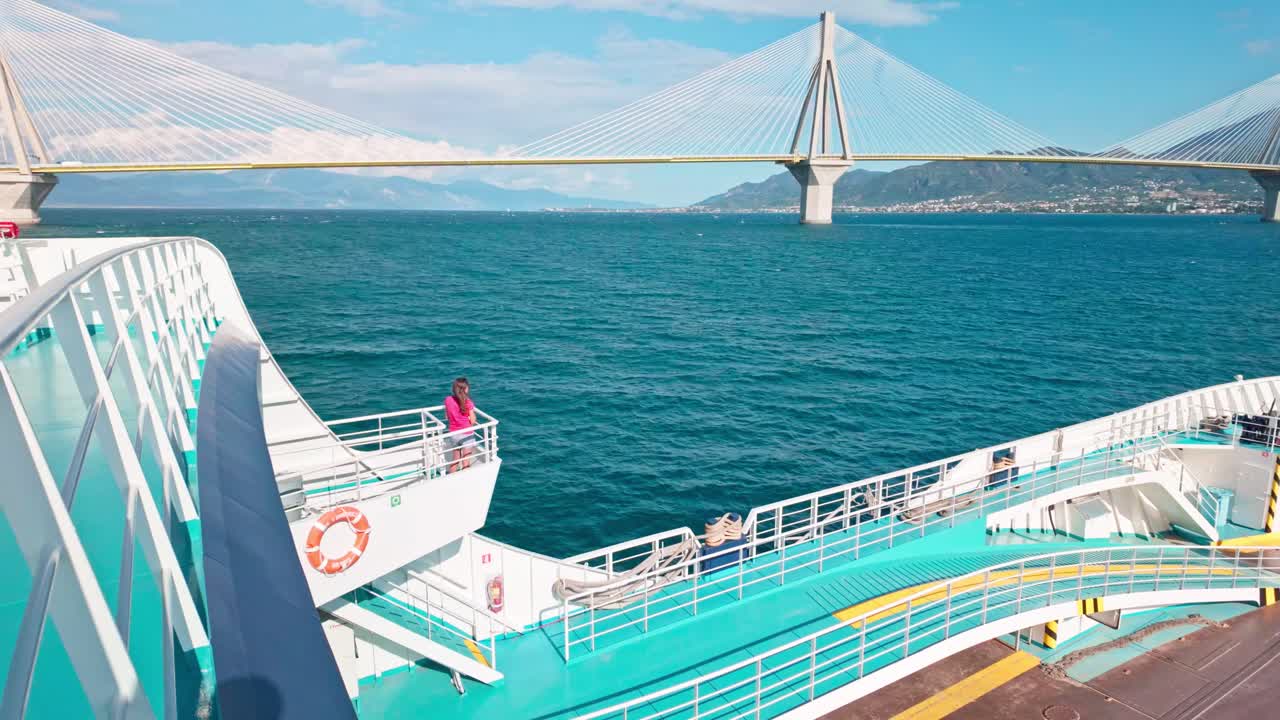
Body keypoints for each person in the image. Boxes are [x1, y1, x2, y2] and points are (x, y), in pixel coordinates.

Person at [444, 377, 478, 472]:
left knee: (455, 459)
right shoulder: (468, 402)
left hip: (454, 434)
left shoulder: (448, 400)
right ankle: (464, 482)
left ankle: (451, 478)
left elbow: (447, 416)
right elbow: (473, 421)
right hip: (466, 434)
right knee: (466, 461)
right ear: (466, 389)